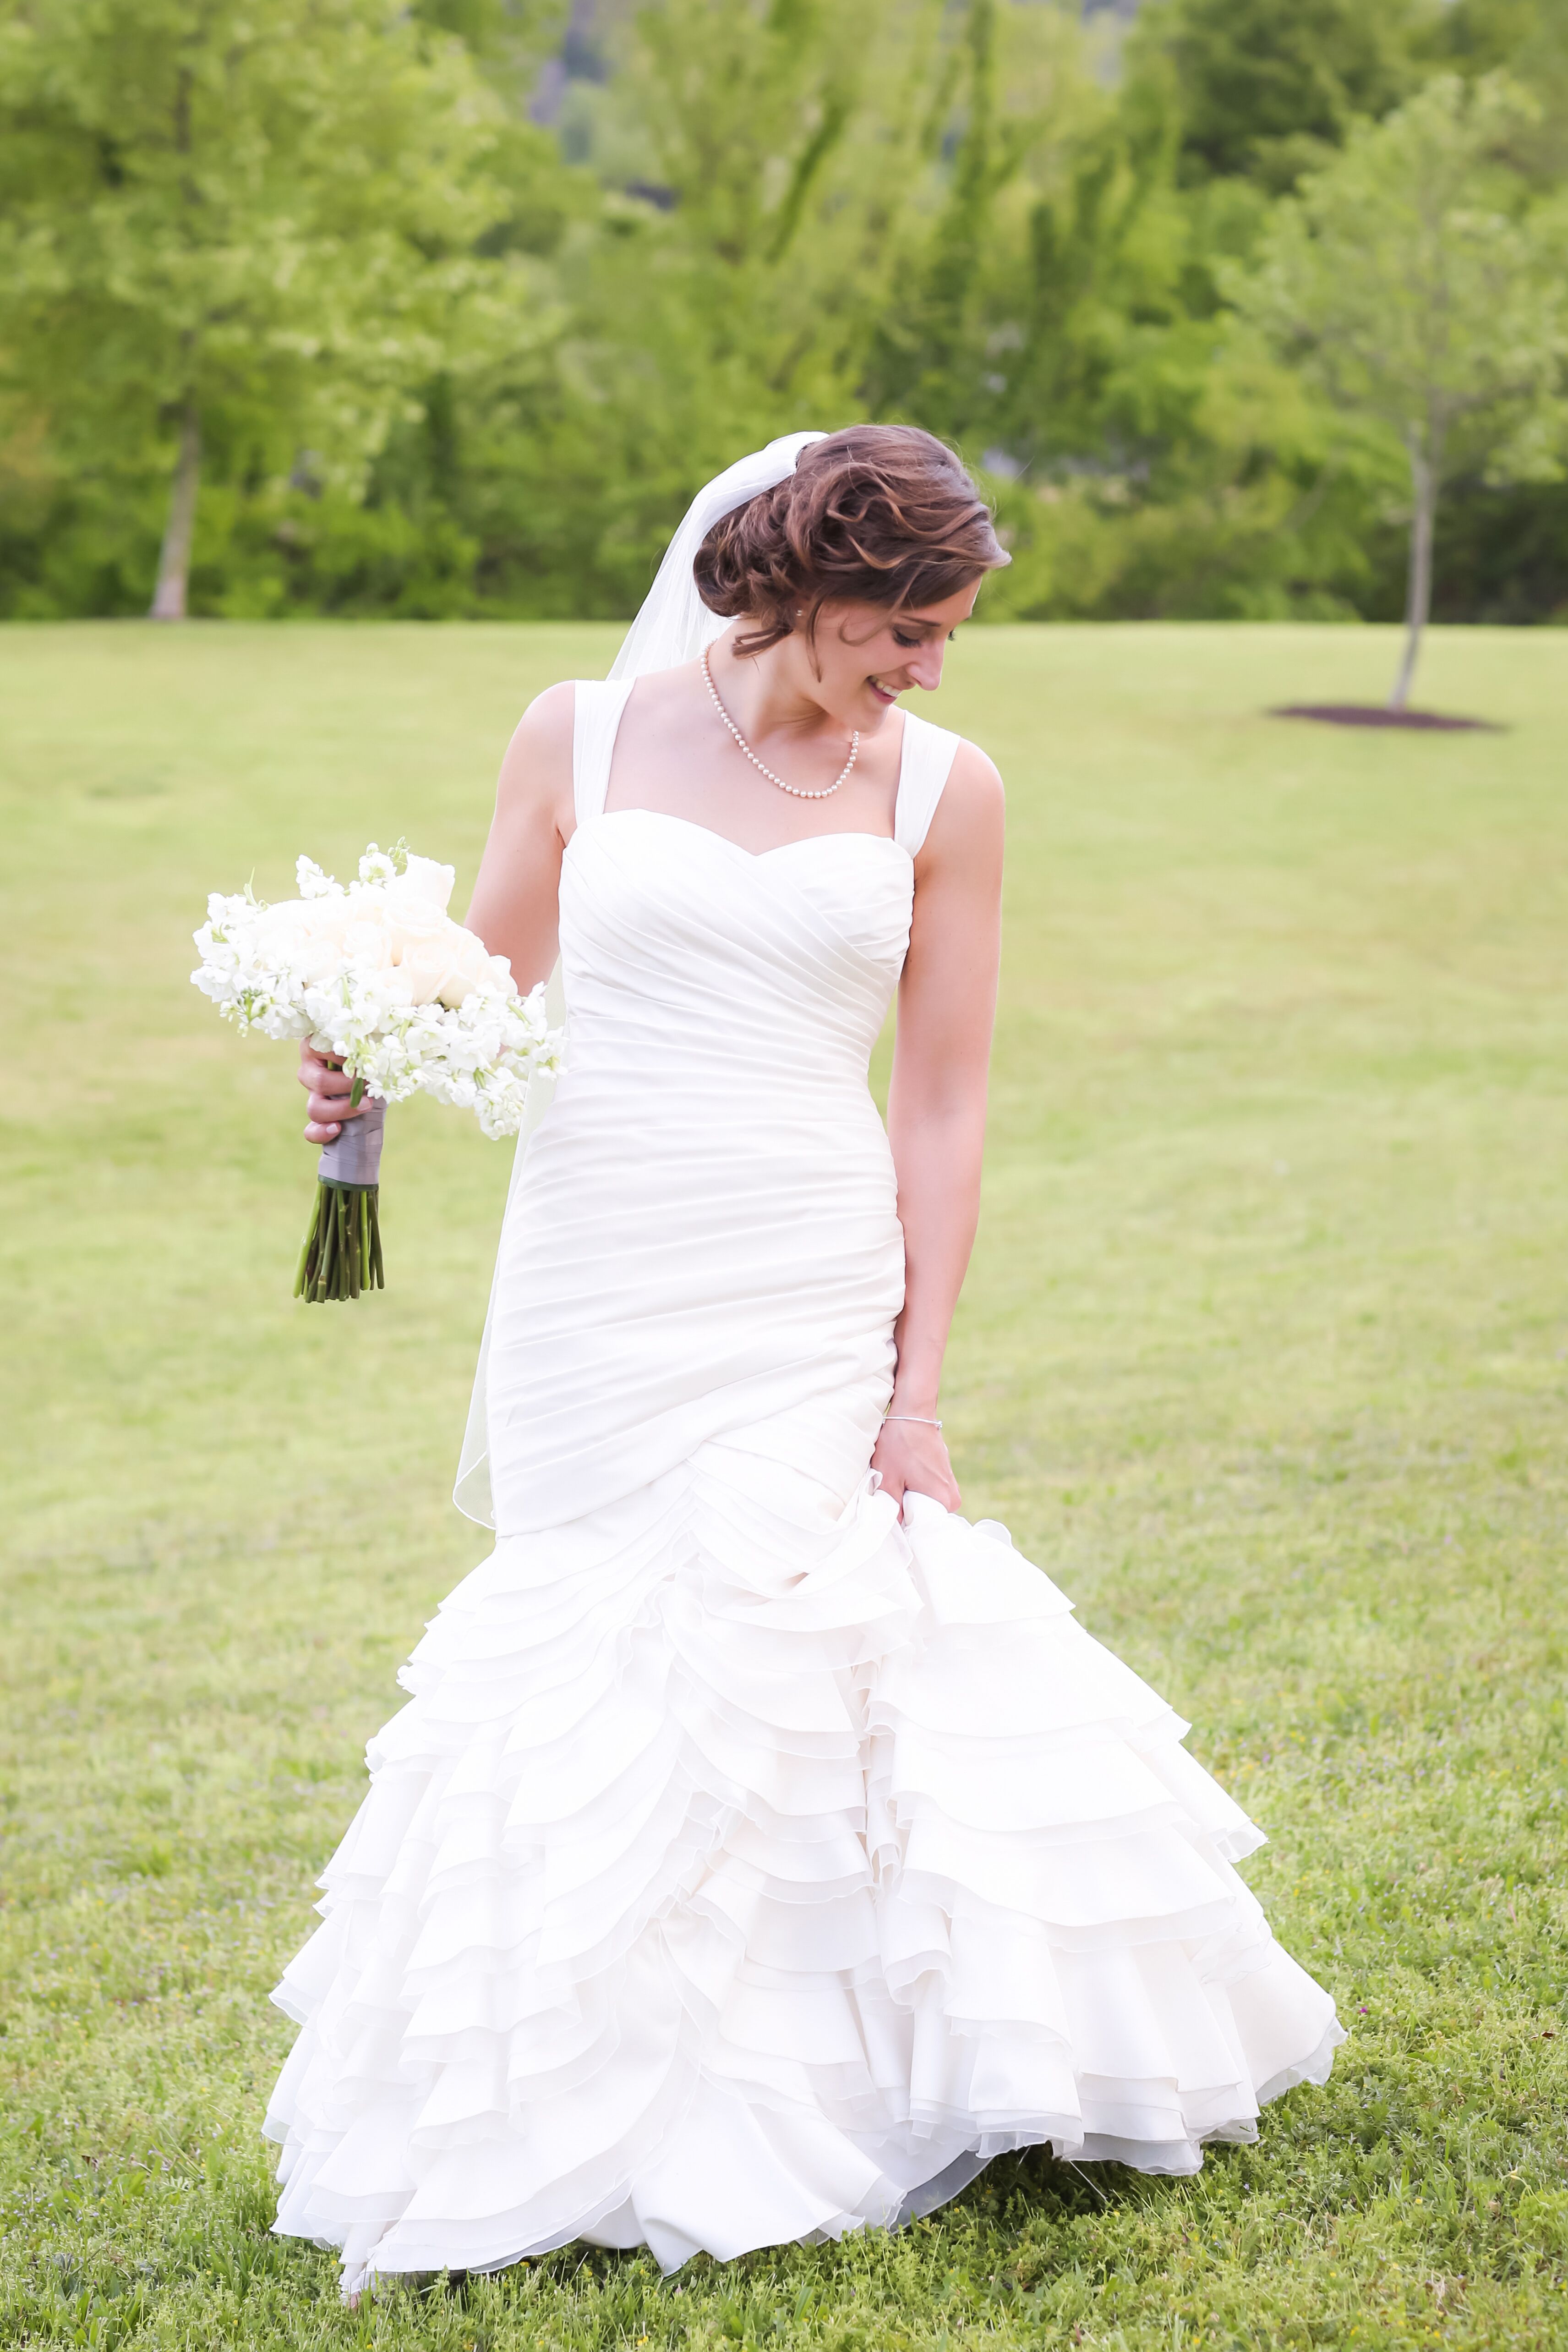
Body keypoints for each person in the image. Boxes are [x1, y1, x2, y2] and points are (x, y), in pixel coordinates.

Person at [264, 427, 1342, 2297]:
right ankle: (579, 2099)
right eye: (906, 627)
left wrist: (917, 1386)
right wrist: (363, 1047)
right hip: (596, 1273)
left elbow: (941, 1099)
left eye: (945, 635)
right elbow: (484, 999)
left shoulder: (949, 788)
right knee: (600, 1645)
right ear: (795, 584)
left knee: (802, 1635)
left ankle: (851, 2087)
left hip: (801, 1259)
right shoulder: (575, 739)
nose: (928, 666)